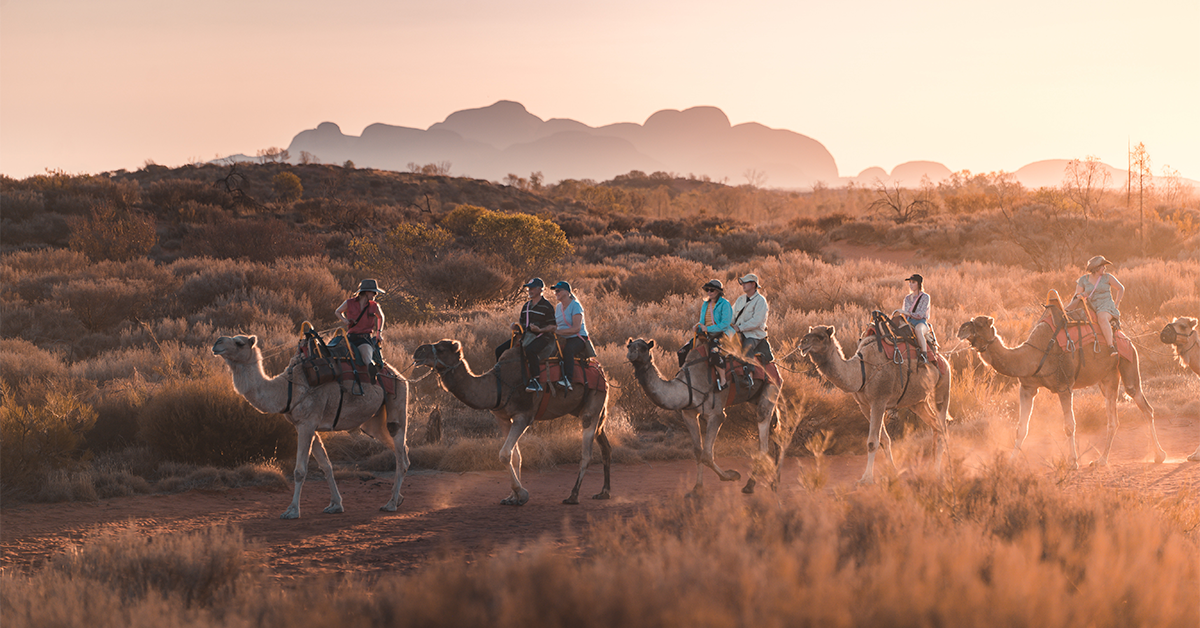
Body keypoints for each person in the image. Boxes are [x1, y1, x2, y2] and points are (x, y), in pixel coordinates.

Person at [494, 278, 558, 392]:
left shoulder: (547, 306)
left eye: (532, 288)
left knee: (530, 350)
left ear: (540, 289)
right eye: (528, 288)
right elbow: (523, 324)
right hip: (527, 336)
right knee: (499, 350)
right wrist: (516, 327)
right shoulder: (526, 306)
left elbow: (553, 327)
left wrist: (539, 330)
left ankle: (536, 381)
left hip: (544, 337)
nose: (529, 290)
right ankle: (500, 378)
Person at [676, 279, 734, 388]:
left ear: (718, 292)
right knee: (682, 351)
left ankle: (723, 380)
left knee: (714, 352)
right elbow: (702, 321)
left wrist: (707, 328)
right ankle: (684, 377)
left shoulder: (725, 304)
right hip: (707, 334)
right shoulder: (705, 304)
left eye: (712, 290)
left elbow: (725, 325)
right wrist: (697, 327)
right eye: (707, 290)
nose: (709, 292)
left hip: (722, 334)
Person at [1074, 255, 1124, 355]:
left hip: (1106, 306)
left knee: (1101, 317)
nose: (1104, 268)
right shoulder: (1083, 280)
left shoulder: (1107, 277)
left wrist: (1117, 303)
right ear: (1096, 268)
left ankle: (1111, 346)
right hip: (1091, 307)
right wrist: (1082, 295)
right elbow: (1076, 295)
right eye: (1102, 266)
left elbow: (1121, 288)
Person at [334, 279, 385, 367]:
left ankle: (372, 374)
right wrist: (345, 320)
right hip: (350, 337)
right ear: (366, 292)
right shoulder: (349, 303)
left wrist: (378, 333)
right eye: (373, 292)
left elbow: (381, 317)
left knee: (367, 359)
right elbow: (338, 312)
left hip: (364, 339)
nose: (375, 295)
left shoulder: (374, 305)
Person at [551, 280, 589, 391]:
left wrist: (558, 332)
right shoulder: (558, 307)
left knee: (568, 350)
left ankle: (568, 379)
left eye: (558, 290)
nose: (556, 293)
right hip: (562, 337)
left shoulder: (575, 306)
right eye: (555, 291)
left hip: (577, 338)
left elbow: (576, 328)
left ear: (567, 292)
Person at [730, 273, 770, 362]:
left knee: (746, 350)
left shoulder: (761, 301)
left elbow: (757, 321)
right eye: (742, 283)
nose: (743, 285)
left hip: (754, 335)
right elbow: (732, 315)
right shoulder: (740, 299)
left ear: (753, 284)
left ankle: (749, 374)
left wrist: (739, 328)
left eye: (745, 282)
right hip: (737, 332)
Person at [895, 273, 931, 363]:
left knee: (918, 330)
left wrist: (905, 312)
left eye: (913, 282)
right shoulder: (907, 298)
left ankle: (924, 355)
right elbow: (905, 314)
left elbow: (920, 314)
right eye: (910, 282)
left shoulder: (925, 297)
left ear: (919, 284)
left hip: (921, 322)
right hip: (908, 322)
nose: (910, 284)